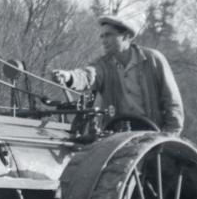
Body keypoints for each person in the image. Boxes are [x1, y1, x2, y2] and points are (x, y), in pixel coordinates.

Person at [51, 14, 184, 135]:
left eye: (108, 35)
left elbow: (172, 102)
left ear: (126, 36)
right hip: (118, 135)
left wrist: (169, 136)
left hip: (153, 134)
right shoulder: (103, 65)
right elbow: (87, 76)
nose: (104, 40)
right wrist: (68, 77)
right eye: (102, 36)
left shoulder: (153, 60)